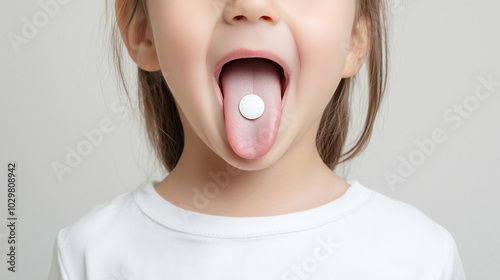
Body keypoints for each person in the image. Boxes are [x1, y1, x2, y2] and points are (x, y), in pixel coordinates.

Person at [48, 0, 466, 279]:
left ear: (356, 38)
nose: (251, 5)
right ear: (143, 31)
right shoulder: (90, 256)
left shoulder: (420, 258)